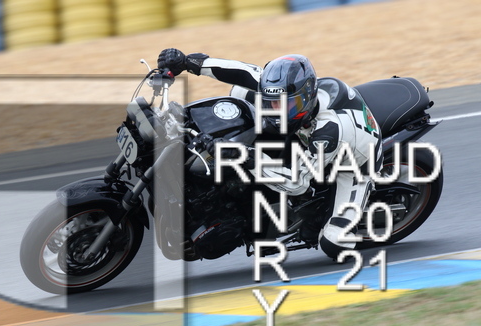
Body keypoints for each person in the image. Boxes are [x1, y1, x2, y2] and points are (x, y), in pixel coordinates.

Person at [157, 48, 383, 259]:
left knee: (334, 243)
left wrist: (246, 156)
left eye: (286, 105)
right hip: (307, 134)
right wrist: (187, 62)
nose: (277, 111)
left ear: (307, 98)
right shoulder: (286, 91)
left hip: (355, 163)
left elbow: (297, 183)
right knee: (240, 92)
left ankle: (328, 218)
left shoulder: (329, 132)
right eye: (272, 103)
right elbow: (240, 71)